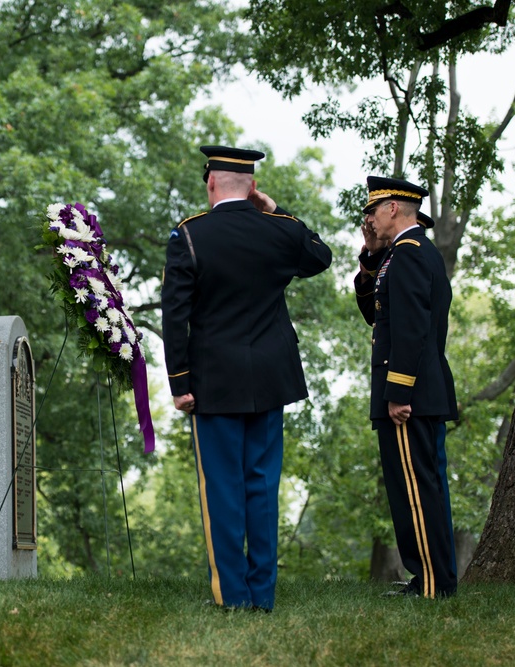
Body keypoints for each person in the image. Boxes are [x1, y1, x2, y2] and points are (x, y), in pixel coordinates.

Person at [161, 145, 332, 610]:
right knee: (262, 485)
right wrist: (277, 211)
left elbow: (175, 316)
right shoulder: (280, 232)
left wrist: (180, 382)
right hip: (269, 379)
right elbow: (321, 256)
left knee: (223, 489)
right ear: (253, 187)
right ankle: (263, 594)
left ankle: (232, 596)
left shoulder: (190, 235)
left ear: (211, 182)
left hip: (214, 381)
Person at [353, 176, 458, 599]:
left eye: (373, 210)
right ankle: (429, 578)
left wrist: (397, 391)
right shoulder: (399, 255)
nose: (369, 219)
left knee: (417, 489)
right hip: (413, 391)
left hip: (409, 395)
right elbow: (374, 313)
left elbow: (412, 330)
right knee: (414, 487)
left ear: (393, 208)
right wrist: (370, 257)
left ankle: (433, 584)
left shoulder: (411, 254)